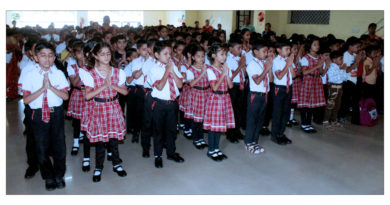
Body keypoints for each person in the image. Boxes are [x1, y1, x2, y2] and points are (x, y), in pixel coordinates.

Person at [20, 40, 69, 191]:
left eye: (50, 55)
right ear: (35, 57)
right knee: (41, 147)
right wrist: (42, 89)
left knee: (59, 145)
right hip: (38, 113)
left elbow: (65, 96)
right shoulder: (29, 74)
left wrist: (51, 87)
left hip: (56, 113)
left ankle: (59, 175)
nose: (47, 59)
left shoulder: (59, 73)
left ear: (54, 57)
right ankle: (48, 176)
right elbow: (26, 100)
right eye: (42, 56)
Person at [83, 42, 128, 182]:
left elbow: (125, 92)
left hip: (113, 106)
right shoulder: (90, 73)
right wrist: (103, 86)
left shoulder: (118, 72)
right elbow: (88, 96)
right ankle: (98, 167)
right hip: (99, 108)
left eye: (108, 53)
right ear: (95, 55)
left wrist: (112, 85)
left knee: (113, 139)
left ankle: (116, 163)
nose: (106, 56)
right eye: (102, 54)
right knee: (100, 141)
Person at [149, 41, 185, 168]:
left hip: (172, 104)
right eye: (165, 54)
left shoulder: (172, 66)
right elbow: (159, 86)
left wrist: (172, 71)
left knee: (171, 130)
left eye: (170, 53)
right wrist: (167, 71)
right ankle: (157, 155)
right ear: (157, 55)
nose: (169, 56)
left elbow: (180, 85)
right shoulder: (153, 69)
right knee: (158, 131)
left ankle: (171, 152)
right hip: (160, 105)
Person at [203, 43, 234, 161]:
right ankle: (211, 150)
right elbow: (214, 87)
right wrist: (223, 74)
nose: (224, 57)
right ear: (214, 55)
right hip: (216, 99)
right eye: (222, 54)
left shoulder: (225, 68)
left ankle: (216, 148)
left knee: (220, 126)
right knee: (213, 127)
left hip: (225, 98)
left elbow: (230, 86)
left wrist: (226, 74)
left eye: (225, 54)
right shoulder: (210, 69)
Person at [244, 40, 272, 154]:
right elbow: (257, 80)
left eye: (267, 51)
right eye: (264, 51)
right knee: (252, 120)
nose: (266, 54)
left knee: (260, 120)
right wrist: (267, 69)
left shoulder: (263, 63)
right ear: (255, 52)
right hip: (255, 96)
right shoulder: (252, 64)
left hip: (264, 95)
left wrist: (269, 67)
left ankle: (255, 141)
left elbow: (271, 80)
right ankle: (248, 142)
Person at [298, 36, 328, 133]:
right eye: (314, 44)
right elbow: (304, 72)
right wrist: (317, 66)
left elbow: (322, 73)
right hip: (308, 81)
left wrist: (326, 66)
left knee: (312, 104)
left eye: (318, 44)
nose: (317, 46)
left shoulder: (319, 57)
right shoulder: (305, 58)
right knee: (305, 104)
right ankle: (304, 123)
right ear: (309, 46)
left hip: (316, 81)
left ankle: (308, 123)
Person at [185, 45, 210, 149]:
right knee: (197, 120)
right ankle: (196, 139)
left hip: (206, 93)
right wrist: (202, 73)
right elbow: (191, 84)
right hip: (196, 95)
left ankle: (201, 138)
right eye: (198, 56)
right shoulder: (190, 70)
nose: (201, 59)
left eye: (203, 56)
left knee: (203, 119)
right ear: (193, 57)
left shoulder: (207, 67)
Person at [271, 40, 296, 145]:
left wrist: (290, 65)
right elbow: (280, 76)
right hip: (279, 89)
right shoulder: (276, 61)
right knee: (278, 113)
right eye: (286, 49)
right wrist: (288, 64)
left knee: (285, 112)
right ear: (278, 50)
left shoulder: (288, 60)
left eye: (289, 49)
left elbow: (294, 76)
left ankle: (281, 133)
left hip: (288, 87)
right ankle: (275, 135)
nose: (289, 51)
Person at [125, 40, 150, 143]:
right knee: (138, 113)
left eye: (148, 49)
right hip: (139, 89)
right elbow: (136, 75)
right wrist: (145, 63)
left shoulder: (154, 61)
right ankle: (136, 132)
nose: (146, 51)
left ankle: (146, 134)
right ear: (139, 50)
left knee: (148, 114)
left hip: (150, 90)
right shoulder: (135, 62)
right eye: (143, 49)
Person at [66, 40, 86, 156]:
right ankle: (76, 143)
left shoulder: (91, 63)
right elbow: (74, 82)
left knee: (88, 118)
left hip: (88, 92)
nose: (82, 55)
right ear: (74, 54)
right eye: (79, 53)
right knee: (77, 120)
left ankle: (87, 137)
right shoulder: (71, 64)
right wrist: (82, 69)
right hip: (78, 93)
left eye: (84, 52)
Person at [338, 37, 363, 125]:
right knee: (345, 100)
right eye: (357, 47)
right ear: (350, 46)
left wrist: (359, 59)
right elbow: (347, 70)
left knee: (352, 101)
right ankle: (340, 117)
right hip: (348, 80)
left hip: (354, 80)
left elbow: (355, 67)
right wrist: (356, 62)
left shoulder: (354, 55)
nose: (358, 48)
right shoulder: (346, 55)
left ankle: (355, 119)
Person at [226, 38, 246, 143]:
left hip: (241, 86)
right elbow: (230, 77)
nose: (241, 50)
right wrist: (241, 66)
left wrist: (243, 66)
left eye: (241, 48)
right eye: (238, 48)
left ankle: (237, 131)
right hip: (232, 87)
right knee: (232, 111)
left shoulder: (239, 59)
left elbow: (244, 74)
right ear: (230, 49)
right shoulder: (228, 60)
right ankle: (230, 133)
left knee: (239, 111)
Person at [323, 50, 346, 130]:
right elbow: (333, 79)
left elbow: (344, 78)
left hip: (340, 87)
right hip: (333, 88)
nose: (342, 61)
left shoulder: (340, 67)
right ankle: (326, 121)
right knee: (330, 105)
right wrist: (341, 70)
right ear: (334, 60)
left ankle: (333, 120)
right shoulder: (332, 67)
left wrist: (342, 70)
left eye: (342, 59)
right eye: (340, 59)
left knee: (337, 105)